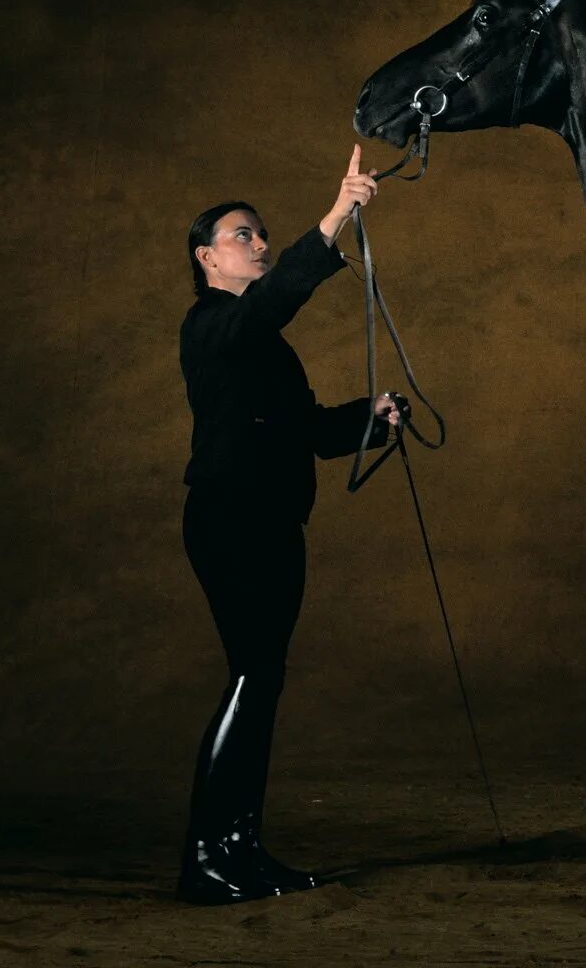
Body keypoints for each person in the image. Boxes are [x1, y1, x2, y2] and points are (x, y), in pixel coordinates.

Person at [176, 144, 406, 904]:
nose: (261, 244)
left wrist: (369, 419)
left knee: (262, 679)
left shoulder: (260, 344)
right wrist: (337, 216)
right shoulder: (211, 325)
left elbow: (304, 428)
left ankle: (238, 849)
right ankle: (209, 859)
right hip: (232, 520)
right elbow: (272, 304)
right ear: (208, 258)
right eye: (245, 236)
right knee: (253, 675)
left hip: (271, 521)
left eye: (262, 233)